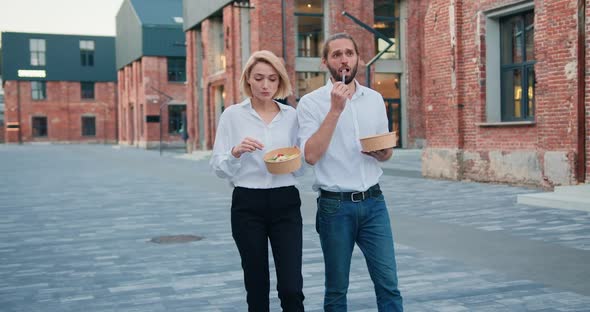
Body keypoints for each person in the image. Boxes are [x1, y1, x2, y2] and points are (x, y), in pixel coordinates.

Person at [296, 33, 403, 311]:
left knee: (389, 285)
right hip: (335, 207)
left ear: (358, 58)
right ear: (325, 62)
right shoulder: (310, 103)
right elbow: (310, 156)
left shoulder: (375, 99)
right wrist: (335, 110)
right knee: (336, 290)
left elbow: (386, 152)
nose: (344, 59)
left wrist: (383, 152)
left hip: (374, 203)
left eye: (349, 53)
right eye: (336, 54)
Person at [209, 50, 305, 312]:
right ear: (248, 79)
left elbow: (301, 169)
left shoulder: (292, 116)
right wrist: (235, 153)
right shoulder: (232, 115)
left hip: (285, 201)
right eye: (259, 78)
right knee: (256, 285)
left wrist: (293, 160)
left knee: (291, 288)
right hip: (247, 202)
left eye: (272, 79)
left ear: (280, 82)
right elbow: (218, 167)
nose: (265, 85)